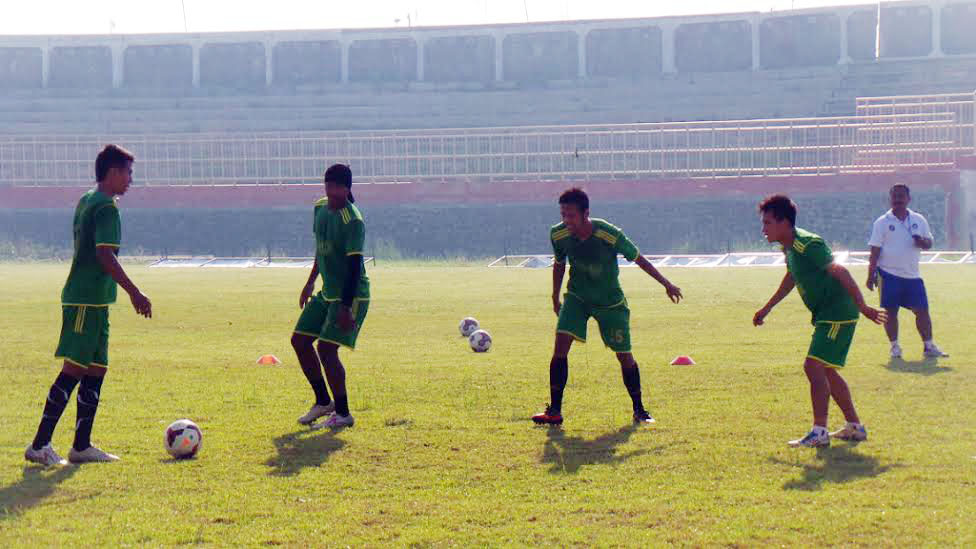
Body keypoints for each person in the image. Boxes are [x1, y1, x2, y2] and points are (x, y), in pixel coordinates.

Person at [26, 144, 152, 466]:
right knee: (74, 369)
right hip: (85, 299)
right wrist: (135, 292)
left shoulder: (87, 199)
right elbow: (104, 254)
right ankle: (39, 445)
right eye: (128, 172)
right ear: (112, 173)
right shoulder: (107, 207)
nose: (131, 180)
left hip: (95, 301)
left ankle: (81, 446)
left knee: (96, 369)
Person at [532, 188, 682, 426]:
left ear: (586, 213)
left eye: (571, 215)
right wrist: (554, 296)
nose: (566, 220)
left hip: (609, 302)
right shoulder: (558, 234)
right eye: (563, 214)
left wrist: (667, 284)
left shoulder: (608, 234)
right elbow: (559, 263)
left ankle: (639, 410)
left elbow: (638, 258)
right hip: (577, 298)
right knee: (560, 346)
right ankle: (555, 411)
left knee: (624, 356)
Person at [753, 194, 886, 448]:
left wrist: (863, 306)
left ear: (784, 222)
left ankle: (819, 432)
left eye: (768, 223)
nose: (763, 229)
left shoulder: (807, 244)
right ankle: (855, 427)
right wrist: (767, 308)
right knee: (825, 369)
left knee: (813, 367)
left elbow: (840, 270)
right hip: (827, 315)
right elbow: (792, 276)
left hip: (838, 313)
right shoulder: (790, 247)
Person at [291, 164, 369, 429]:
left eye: (337, 187)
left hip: (351, 294)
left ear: (347, 189)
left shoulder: (353, 220)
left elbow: (354, 267)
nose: (331, 192)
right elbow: (321, 248)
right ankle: (323, 401)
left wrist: (346, 306)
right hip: (327, 292)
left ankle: (344, 413)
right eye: (328, 186)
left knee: (326, 348)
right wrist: (310, 281)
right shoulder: (320, 208)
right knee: (300, 341)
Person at [867, 184, 947, 359]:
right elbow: (874, 251)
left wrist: (922, 242)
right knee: (890, 312)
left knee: (922, 311)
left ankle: (929, 346)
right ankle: (895, 347)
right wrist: (870, 274)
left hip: (912, 275)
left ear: (908, 199)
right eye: (895, 196)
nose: (898, 199)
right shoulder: (882, 222)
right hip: (888, 274)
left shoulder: (919, 219)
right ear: (890, 199)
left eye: (901, 196)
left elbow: (929, 243)